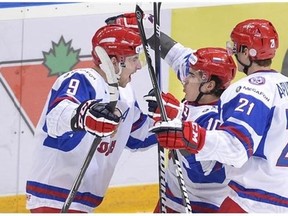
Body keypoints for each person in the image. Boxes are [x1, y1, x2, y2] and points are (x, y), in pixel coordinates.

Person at [151, 19, 288, 213]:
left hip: (250, 199)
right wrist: (147, 29)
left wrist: (182, 128)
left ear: (247, 52)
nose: (231, 51)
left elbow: (235, 148)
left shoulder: (251, 89)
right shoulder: (281, 86)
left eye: (235, 47)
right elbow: (180, 57)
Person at [106, 13, 236, 213]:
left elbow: (200, 172)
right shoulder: (203, 84)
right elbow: (175, 54)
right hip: (170, 198)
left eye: (190, 75)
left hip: (202, 206)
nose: (184, 79)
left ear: (209, 85)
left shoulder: (217, 120)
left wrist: (175, 120)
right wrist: (148, 33)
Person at [25, 24, 157, 213]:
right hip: (53, 198)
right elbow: (56, 117)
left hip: (83, 203)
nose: (138, 66)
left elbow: (138, 136)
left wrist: (166, 123)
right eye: (134, 59)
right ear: (114, 62)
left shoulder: (125, 93)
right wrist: (85, 115)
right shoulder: (81, 79)